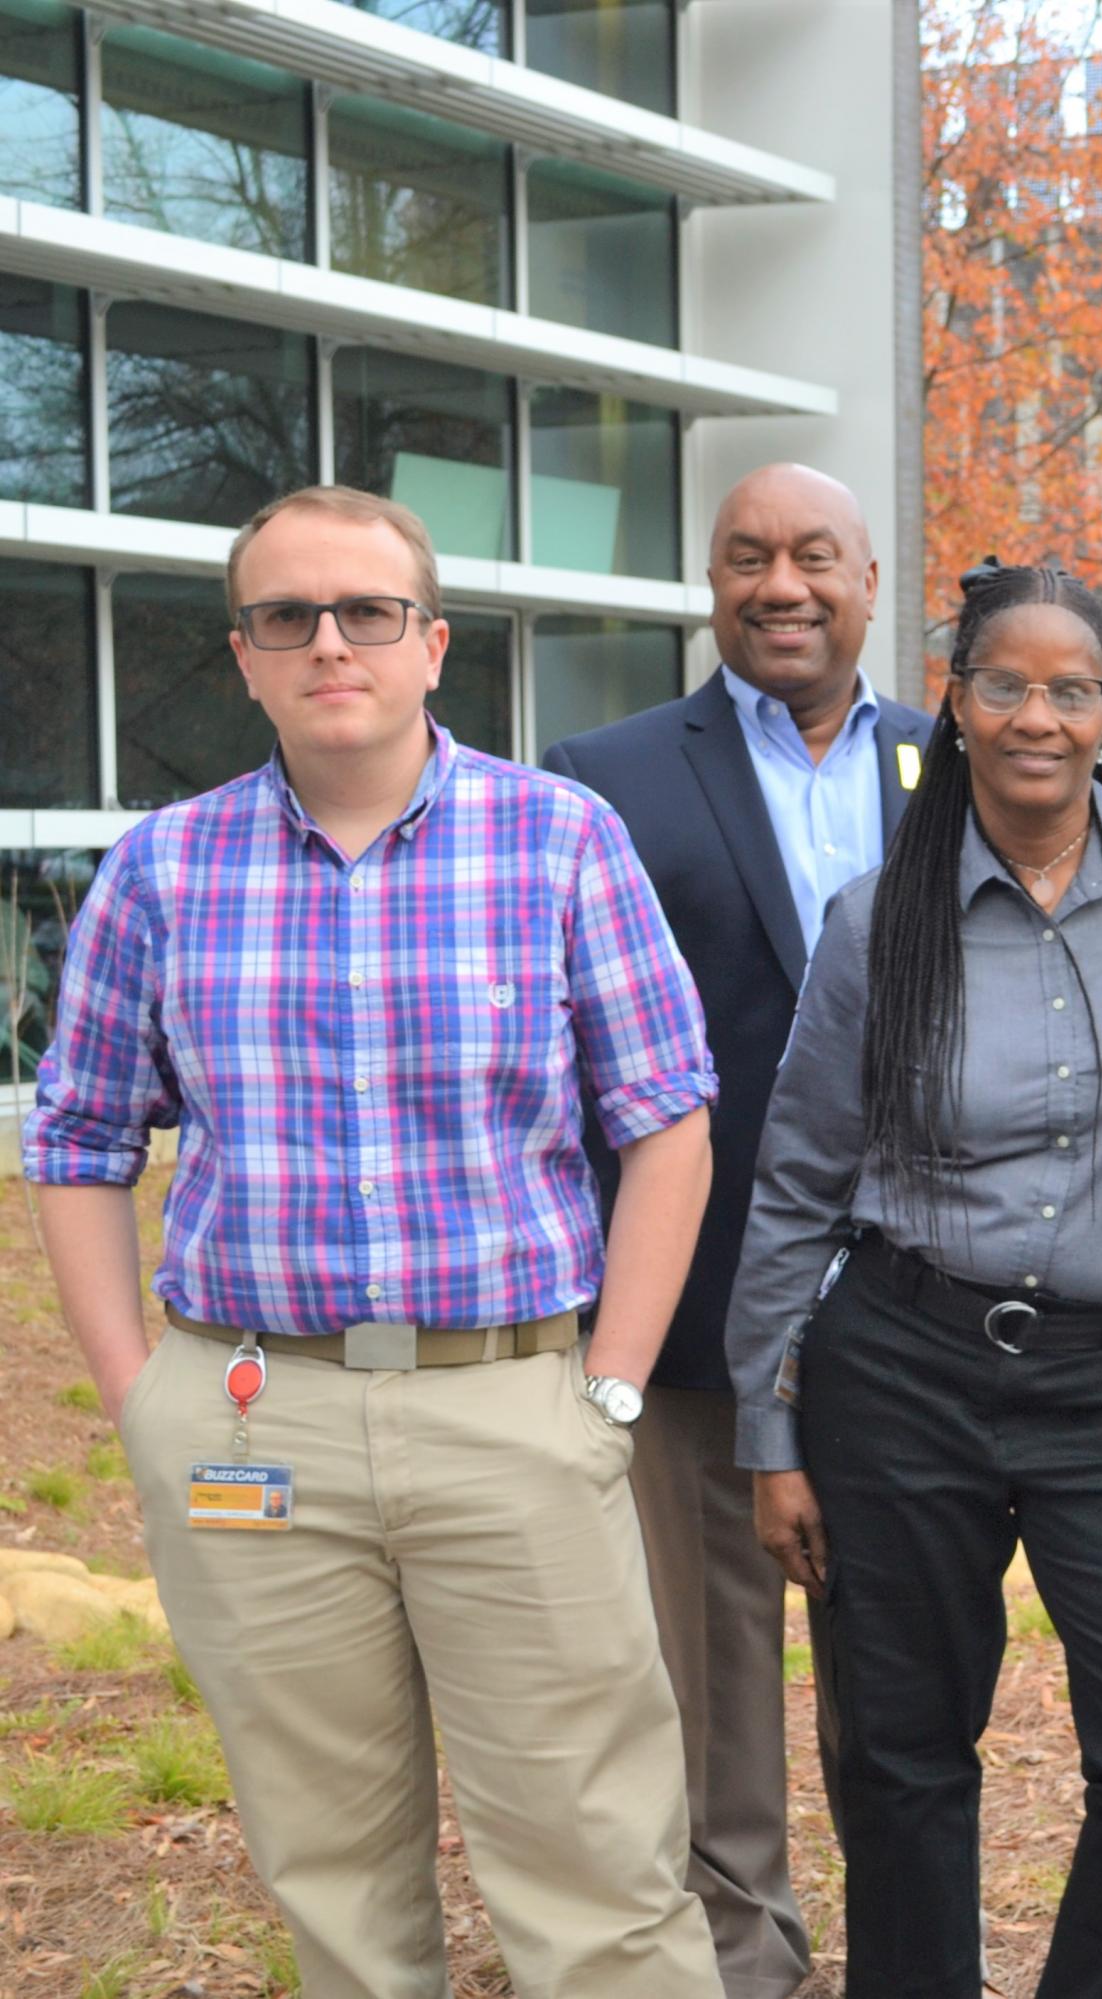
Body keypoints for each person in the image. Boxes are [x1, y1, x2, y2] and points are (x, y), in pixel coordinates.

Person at [25, 486, 723, 1997]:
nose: (328, 640)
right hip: (251, 1423)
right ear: (247, 657)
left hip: (514, 1411)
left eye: (366, 612)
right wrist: (144, 1396)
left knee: (598, 1864)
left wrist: (608, 1391)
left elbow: (669, 1121)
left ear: (431, 644)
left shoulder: (560, 842)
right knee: (330, 1872)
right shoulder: (164, 871)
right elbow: (79, 1139)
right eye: (289, 615)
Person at [725, 558, 1102, 1998]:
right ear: (954, 702)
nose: (1036, 715)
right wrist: (771, 1435)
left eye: (1068, 688)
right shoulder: (874, 916)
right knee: (900, 1760)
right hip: (901, 1367)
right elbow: (795, 1192)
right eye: (1003, 683)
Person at [541, 463, 931, 1999]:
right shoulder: (609, 773)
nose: (783, 583)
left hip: (917, 1312)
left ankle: (909, 1949)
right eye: (747, 556)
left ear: (869, 580)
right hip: (698, 1310)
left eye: (813, 555)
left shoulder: (957, 759)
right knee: (710, 1684)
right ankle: (744, 1958)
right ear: (711, 585)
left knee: (897, 1679)